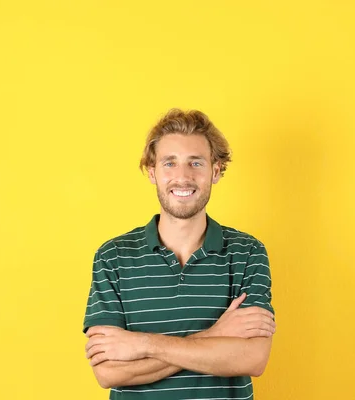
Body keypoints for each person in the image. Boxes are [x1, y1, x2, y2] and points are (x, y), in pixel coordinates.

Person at [83, 109, 276, 400]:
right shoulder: (113, 257)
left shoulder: (247, 252)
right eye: (169, 163)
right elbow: (109, 373)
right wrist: (215, 336)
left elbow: (252, 359)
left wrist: (143, 345)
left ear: (215, 170)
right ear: (152, 171)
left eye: (195, 163)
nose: (182, 177)